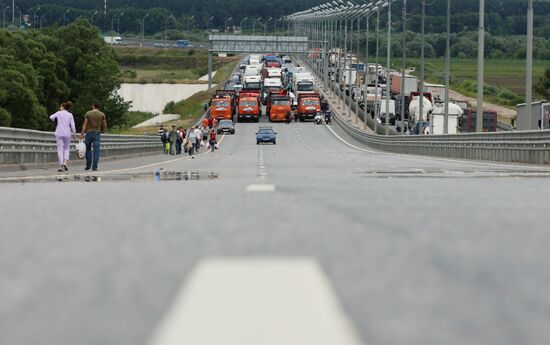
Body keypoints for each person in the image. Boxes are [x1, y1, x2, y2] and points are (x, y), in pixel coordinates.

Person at [80, 100, 107, 171]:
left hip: (89, 133)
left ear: (93, 105)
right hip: (97, 134)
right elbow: (104, 124)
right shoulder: (102, 114)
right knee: (96, 150)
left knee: (88, 149)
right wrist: (103, 130)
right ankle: (94, 166)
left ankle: (88, 165)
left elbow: (85, 124)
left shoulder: (88, 113)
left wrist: (82, 133)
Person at [50, 101, 76, 172]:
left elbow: (51, 117)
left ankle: (61, 166)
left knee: (60, 149)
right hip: (67, 133)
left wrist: (55, 120)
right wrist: (74, 134)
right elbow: (72, 125)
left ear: (63, 107)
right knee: (66, 148)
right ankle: (65, 162)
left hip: (59, 133)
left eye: (60, 106)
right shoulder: (70, 115)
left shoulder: (58, 113)